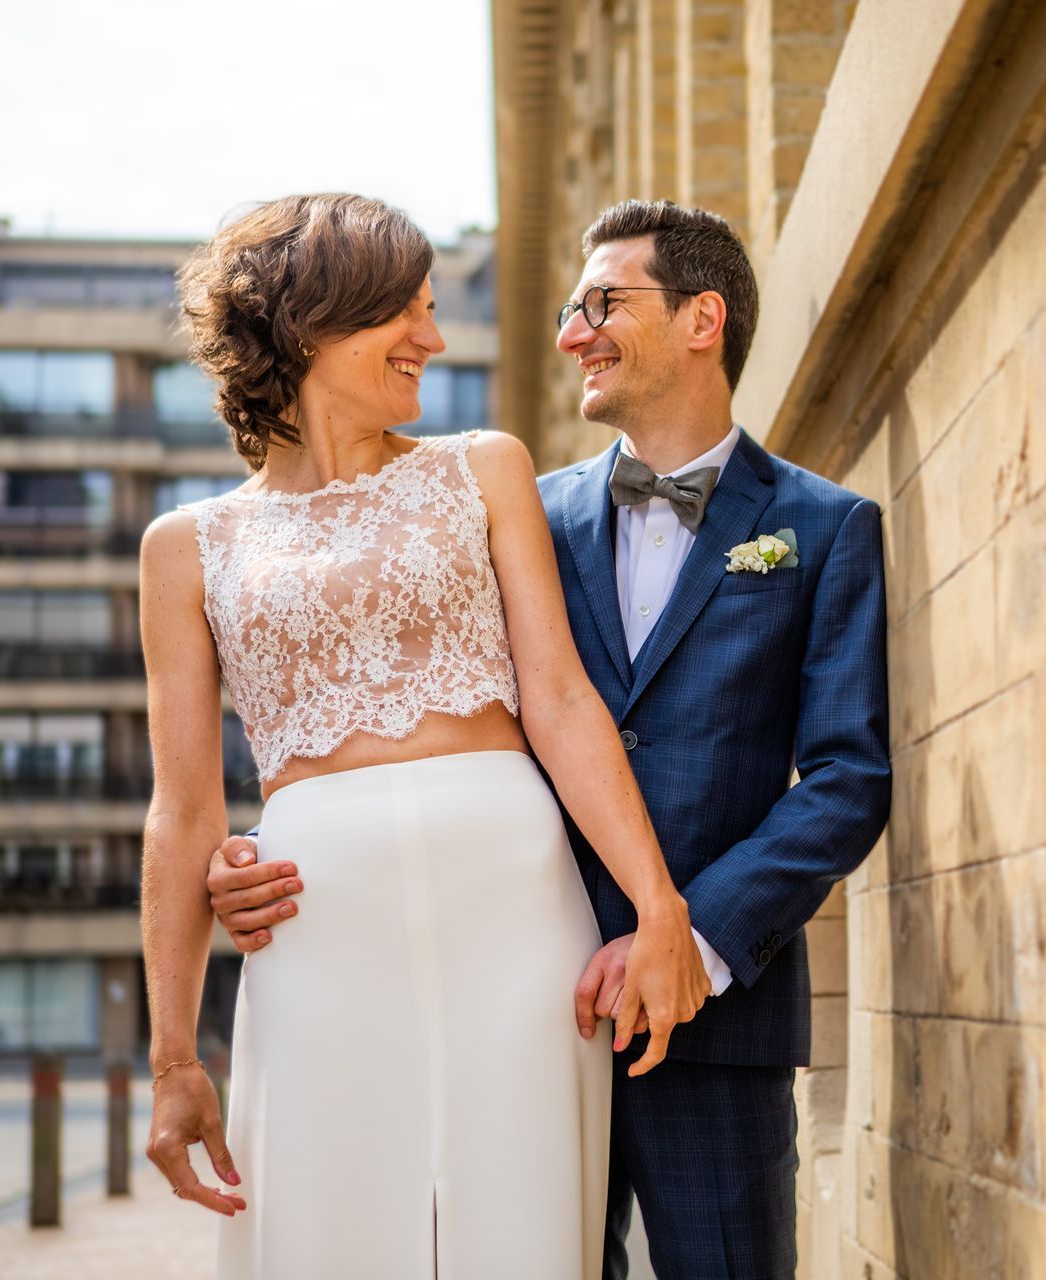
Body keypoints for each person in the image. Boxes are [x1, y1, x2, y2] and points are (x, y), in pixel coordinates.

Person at [208, 199, 892, 1279]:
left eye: (602, 303)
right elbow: (392, 683)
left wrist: (696, 939)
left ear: (702, 318)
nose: (574, 332)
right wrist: (263, 847)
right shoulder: (508, 505)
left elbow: (848, 779)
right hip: (517, 991)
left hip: (712, 1016)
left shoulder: (824, 527)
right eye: (571, 310)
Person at [139, 193, 711, 1279]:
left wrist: (657, 902)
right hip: (316, 933)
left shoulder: (484, 466)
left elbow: (559, 698)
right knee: (327, 1231)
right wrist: (174, 1059)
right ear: (310, 321)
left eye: (433, 309)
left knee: (521, 1228)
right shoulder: (185, 546)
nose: (431, 339)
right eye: (404, 310)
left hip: (516, 919)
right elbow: (184, 810)